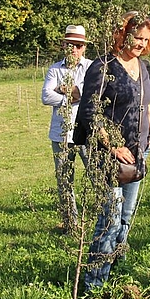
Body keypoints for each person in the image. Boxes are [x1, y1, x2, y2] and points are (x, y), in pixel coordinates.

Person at [75, 11, 150, 290]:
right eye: (137, 38)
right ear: (123, 34)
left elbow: (145, 104)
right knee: (110, 217)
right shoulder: (103, 67)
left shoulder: (144, 68)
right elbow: (90, 113)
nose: (141, 45)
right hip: (108, 155)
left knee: (125, 219)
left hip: (138, 152)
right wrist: (113, 145)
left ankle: (115, 271)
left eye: (146, 40)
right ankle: (93, 284)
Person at [42, 25, 92, 231]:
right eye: (70, 44)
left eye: (78, 45)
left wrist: (63, 91)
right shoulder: (55, 69)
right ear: (64, 45)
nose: (74, 49)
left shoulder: (91, 67)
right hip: (61, 134)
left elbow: (89, 94)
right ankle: (70, 223)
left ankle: (100, 218)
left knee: (96, 174)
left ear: (83, 48)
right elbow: (46, 96)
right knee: (64, 181)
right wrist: (74, 95)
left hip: (87, 132)